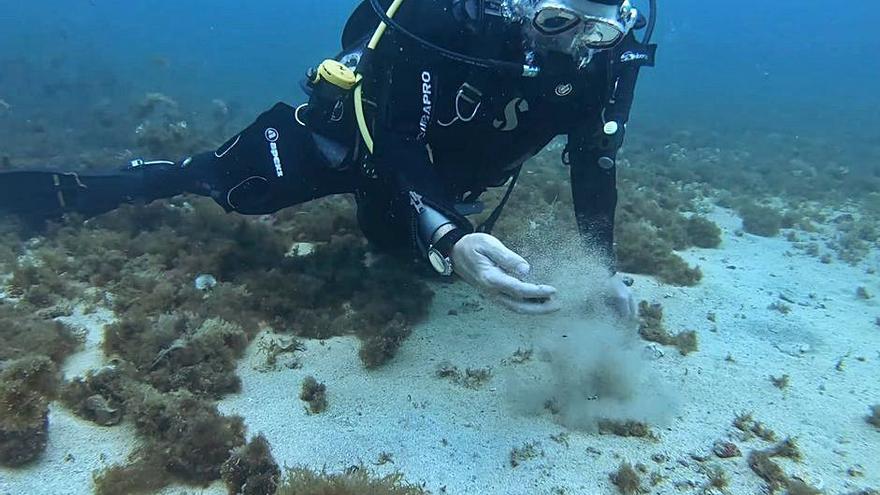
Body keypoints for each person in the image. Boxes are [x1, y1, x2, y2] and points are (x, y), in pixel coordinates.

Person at [0, 0, 656, 317]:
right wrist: (449, 232)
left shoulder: (602, 65)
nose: (576, 45)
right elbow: (392, 133)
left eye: (596, 29)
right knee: (239, 187)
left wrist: (600, 270)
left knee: (397, 256)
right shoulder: (442, 20)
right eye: (555, 21)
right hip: (353, 139)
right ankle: (113, 185)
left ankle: (424, 226)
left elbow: (595, 164)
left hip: (441, 183)